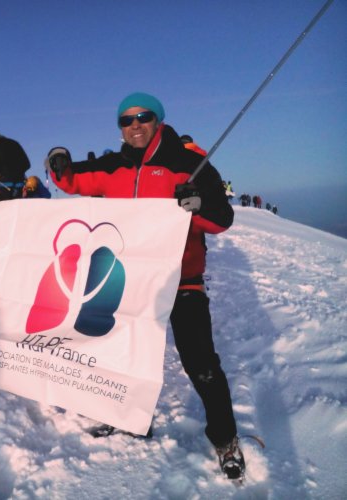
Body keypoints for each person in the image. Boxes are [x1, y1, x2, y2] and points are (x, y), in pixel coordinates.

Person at [45, 92, 244, 480]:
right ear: (120, 128)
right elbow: (71, 180)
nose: (135, 125)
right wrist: (58, 160)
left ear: (158, 120)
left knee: (201, 363)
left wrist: (197, 205)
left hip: (181, 279)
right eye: (126, 120)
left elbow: (222, 220)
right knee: (124, 358)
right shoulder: (113, 165)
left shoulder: (188, 164)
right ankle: (131, 418)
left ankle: (225, 439)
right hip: (131, 281)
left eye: (143, 117)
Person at [0, 132, 51, 200]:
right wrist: (19, 171)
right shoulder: (14, 143)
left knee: (6, 205)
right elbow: (27, 164)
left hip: (4, 181)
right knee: (18, 203)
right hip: (19, 181)